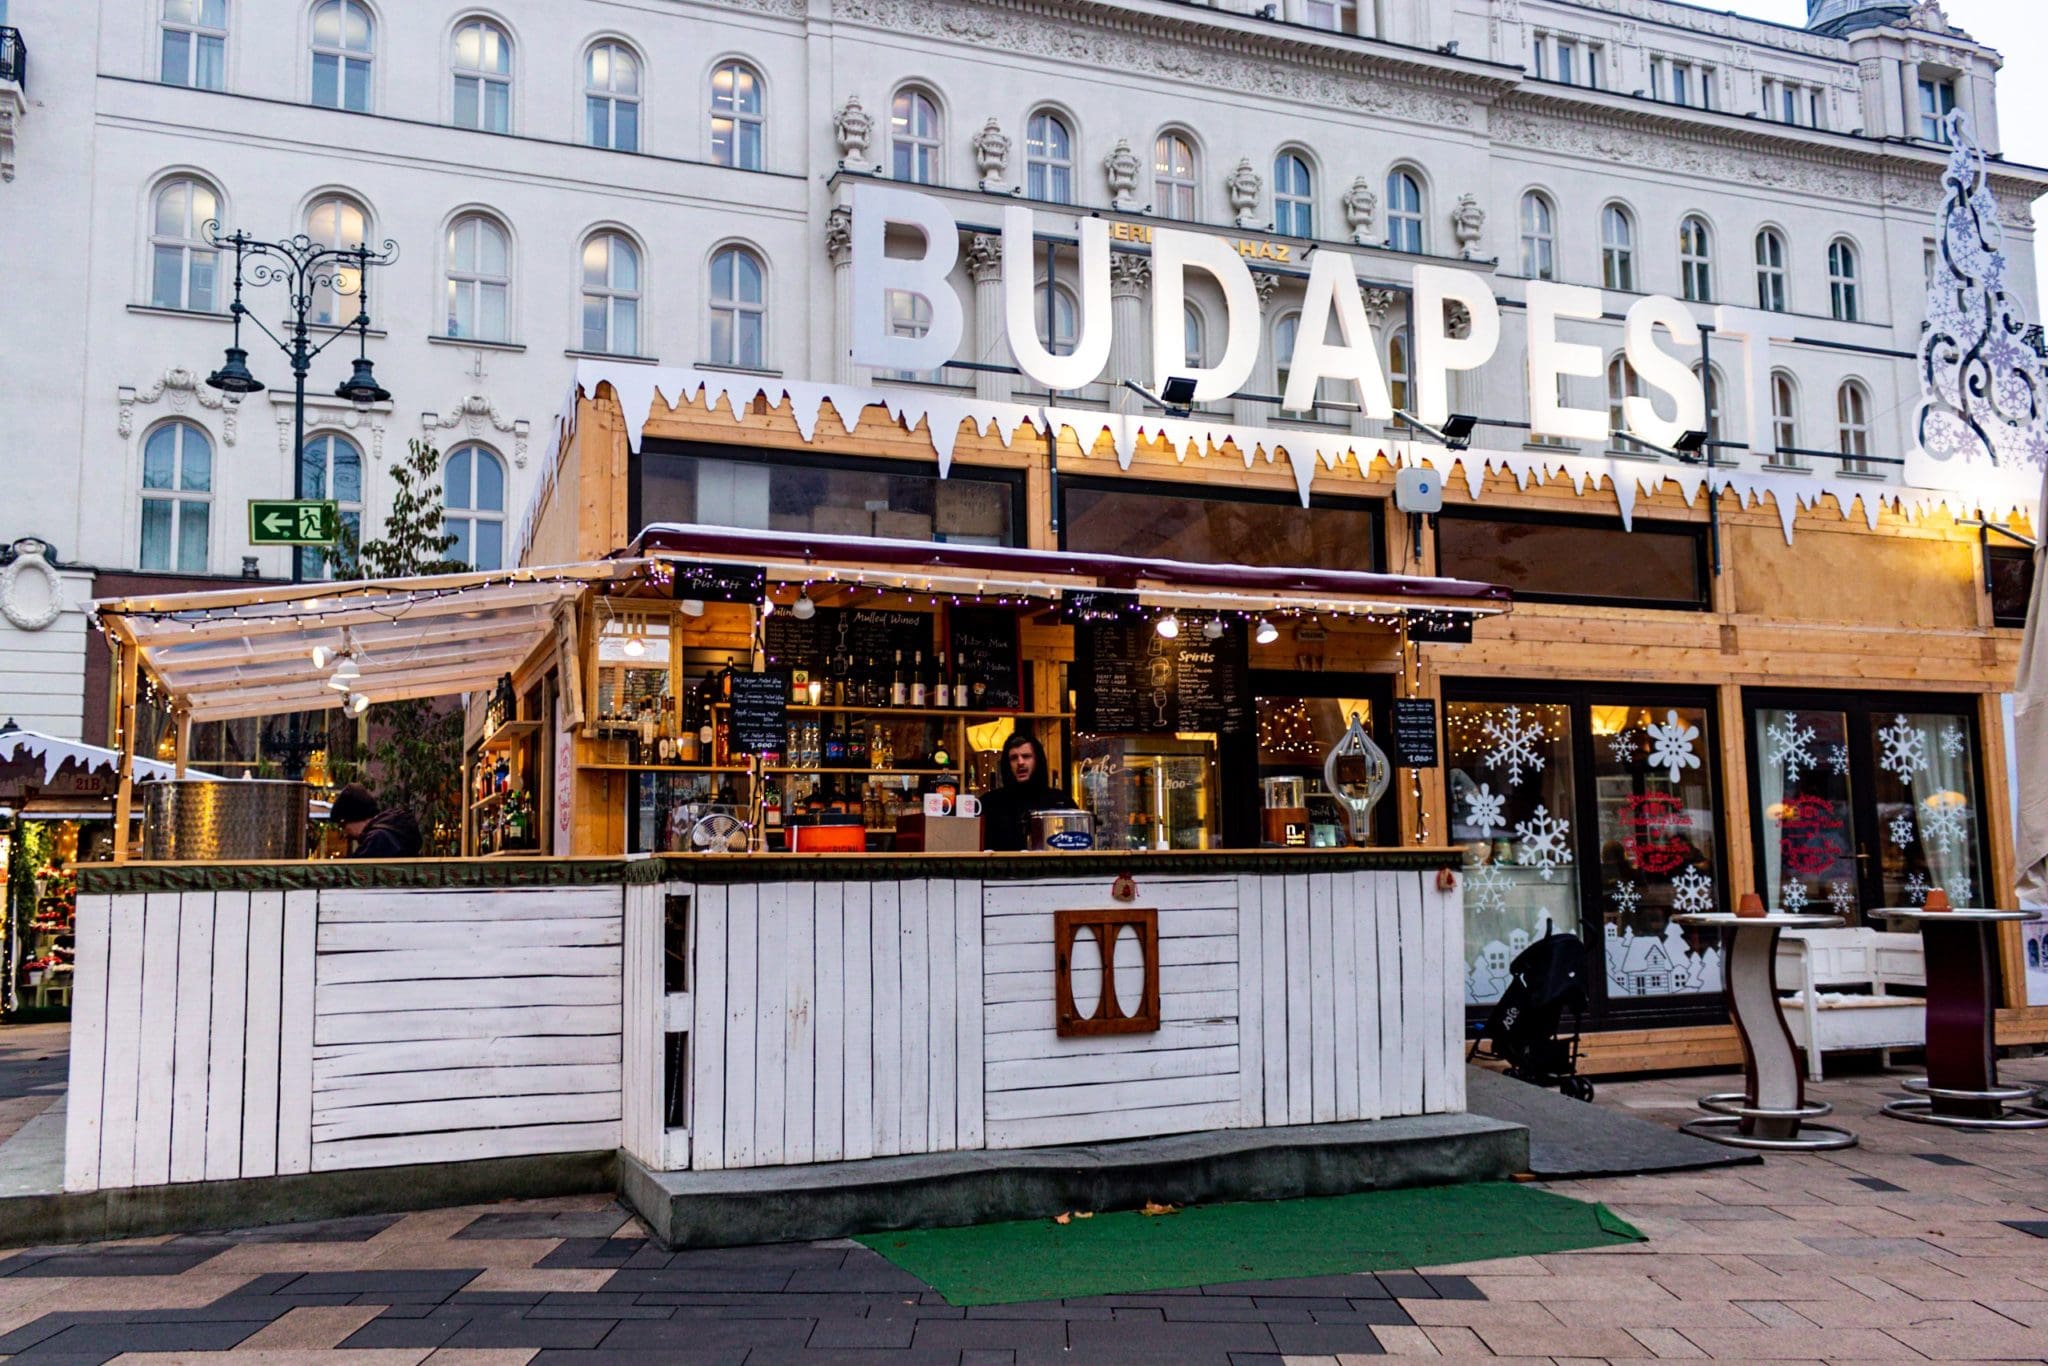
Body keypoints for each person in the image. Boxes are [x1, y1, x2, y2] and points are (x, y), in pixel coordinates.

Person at [979, 732, 1076, 852]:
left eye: (1026, 756)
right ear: (1007, 764)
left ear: (1037, 760)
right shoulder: (990, 803)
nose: (1020, 762)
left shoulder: (1060, 801)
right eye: (1014, 758)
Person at [330, 783, 423, 858]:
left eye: (342, 825)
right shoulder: (393, 832)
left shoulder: (377, 840)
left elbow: (353, 873)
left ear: (354, 818)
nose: (345, 833)